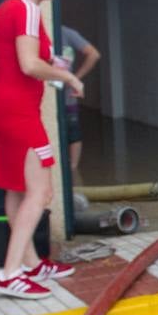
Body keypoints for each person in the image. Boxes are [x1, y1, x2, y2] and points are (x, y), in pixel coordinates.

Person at [0, 0, 85, 300]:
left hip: (0, 106)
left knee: (17, 189)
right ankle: (10, 274)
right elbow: (27, 65)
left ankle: (31, 264)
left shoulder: (5, 9)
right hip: (18, 112)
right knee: (41, 191)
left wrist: (45, 62)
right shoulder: (26, 9)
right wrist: (66, 76)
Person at [56, 25, 101, 203]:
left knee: (73, 131)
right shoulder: (35, 34)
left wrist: (76, 77)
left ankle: (73, 170)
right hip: (45, 94)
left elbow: (93, 54)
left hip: (67, 95)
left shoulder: (67, 33)